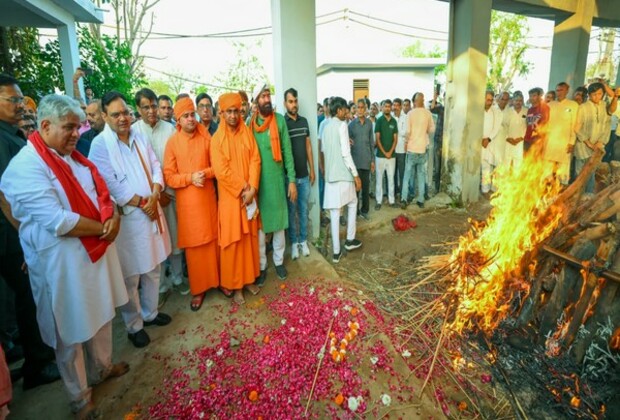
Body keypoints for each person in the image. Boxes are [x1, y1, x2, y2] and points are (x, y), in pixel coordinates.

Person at [0, 94, 129, 418]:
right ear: (45, 126)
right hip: (59, 264)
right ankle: (79, 397)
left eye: (79, 127)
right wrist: (104, 227)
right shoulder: (26, 166)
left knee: (100, 315)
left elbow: (101, 193)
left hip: (93, 256)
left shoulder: (73, 158)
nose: (77, 134)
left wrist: (112, 214)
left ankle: (102, 367)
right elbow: (58, 220)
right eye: (69, 128)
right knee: (67, 332)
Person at [89, 91, 172, 348]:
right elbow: (107, 183)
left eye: (125, 112)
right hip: (129, 219)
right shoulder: (100, 145)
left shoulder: (138, 134)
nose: (123, 118)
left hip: (151, 209)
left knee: (153, 267)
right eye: (116, 114)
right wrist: (139, 202)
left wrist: (156, 191)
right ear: (105, 116)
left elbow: (156, 165)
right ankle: (134, 325)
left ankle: (151, 313)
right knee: (131, 275)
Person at [0, 74, 60, 391]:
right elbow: (4, 198)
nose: (21, 105)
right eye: (14, 99)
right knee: (28, 298)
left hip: (17, 237)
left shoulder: (11, 134)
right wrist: (26, 241)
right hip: (12, 239)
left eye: (21, 99)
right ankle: (38, 365)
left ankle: (28, 353)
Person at [163, 97, 220, 311]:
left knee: (213, 243)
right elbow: (169, 177)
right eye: (185, 116)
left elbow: (217, 168)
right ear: (178, 119)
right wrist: (189, 178)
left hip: (208, 202)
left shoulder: (206, 139)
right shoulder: (173, 143)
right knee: (195, 251)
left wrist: (202, 175)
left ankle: (218, 282)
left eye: (191, 115)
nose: (190, 119)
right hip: (188, 207)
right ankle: (198, 290)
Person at [132, 88, 188, 302]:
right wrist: (154, 195)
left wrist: (167, 191)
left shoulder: (171, 130)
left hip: (171, 195)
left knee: (174, 237)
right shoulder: (134, 131)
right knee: (155, 243)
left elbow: (177, 162)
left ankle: (177, 278)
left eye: (154, 106)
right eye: (146, 107)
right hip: (147, 200)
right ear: (138, 109)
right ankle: (161, 287)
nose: (152, 111)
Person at [211, 92, 261, 305]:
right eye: (228, 112)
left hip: (249, 194)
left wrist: (253, 187)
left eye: (236, 111)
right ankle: (236, 285)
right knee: (234, 241)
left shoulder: (246, 133)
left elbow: (255, 159)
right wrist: (244, 189)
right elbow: (221, 172)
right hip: (232, 200)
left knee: (249, 238)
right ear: (221, 113)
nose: (233, 115)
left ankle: (249, 280)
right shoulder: (216, 140)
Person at [251, 83, 297, 282]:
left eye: (268, 95)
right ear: (256, 101)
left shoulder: (279, 121)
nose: (267, 99)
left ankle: (278, 262)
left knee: (279, 225)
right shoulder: (249, 125)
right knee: (261, 230)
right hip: (258, 185)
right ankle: (262, 266)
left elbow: (287, 151)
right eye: (262, 96)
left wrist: (292, 180)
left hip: (277, 182)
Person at [322, 96, 362, 263]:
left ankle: (336, 253)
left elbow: (326, 150)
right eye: (345, 109)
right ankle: (350, 240)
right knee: (353, 203)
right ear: (338, 111)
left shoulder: (325, 126)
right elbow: (345, 154)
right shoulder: (343, 125)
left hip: (331, 176)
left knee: (334, 213)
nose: (347, 112)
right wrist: (355, 175)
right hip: (344, 175)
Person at [283, 88, 315, 259]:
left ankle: (303, 241)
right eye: (290, 101)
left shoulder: (304, 121)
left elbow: (308, 146)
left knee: (303, 210)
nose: (294, 104)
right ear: (285, 103)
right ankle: (294, 243)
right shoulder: (283, 123)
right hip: (291, 179)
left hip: (304, 175)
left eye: (295, 101)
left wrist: (312, 169)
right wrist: (290, 179)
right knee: (291, 211)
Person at [574, 82, 618, 192]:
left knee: (591, 173)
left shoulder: (604, 105)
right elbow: (577, 128)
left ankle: (587, 199)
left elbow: (608, 121)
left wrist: (601, 142)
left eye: (599, 94)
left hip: (597, 147)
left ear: (603, 94)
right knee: (579, 174)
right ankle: (575, 199)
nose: (596, 96)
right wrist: (589, 144)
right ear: (589, 94)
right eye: (593, 94)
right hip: (583, 147)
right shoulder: (583, 107)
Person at [401, 92, 435, 208]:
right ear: (423, 100)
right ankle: (420, 200)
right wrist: (425, 131)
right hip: (422, 149)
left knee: (407, 175)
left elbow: (407, 132)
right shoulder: (428, 113)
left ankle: (404, 199)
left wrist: (406, 143)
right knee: (421, 175)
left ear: (415, 101)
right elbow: (432, 129)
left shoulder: (410, 114)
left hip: (411, 149)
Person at [545, 82, 578, 184]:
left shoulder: (573, 105)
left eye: (561, 90)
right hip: (550, 142)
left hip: (565, 143)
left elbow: (575, 125)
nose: (559, 92)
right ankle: (545, 192)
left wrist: (572, 142)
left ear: (567, 91)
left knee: (563, 170)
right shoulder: (550, 105)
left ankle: (561, 192)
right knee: (547, 170)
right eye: (557, 90)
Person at [349, 98, 374, 219]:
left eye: (362, 107)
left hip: (367, 161)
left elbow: (371, 142)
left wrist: (372, 161)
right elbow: (347, 144)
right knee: (356, 189)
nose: (360, 110)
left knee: (366, 189)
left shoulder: (369, 124)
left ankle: (365, 211)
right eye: (358, 107)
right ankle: (356, 212)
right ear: (355, 109)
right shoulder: (351, 125)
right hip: (355, 162)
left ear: (365, 109)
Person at [374, 99, 398, 210]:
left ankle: (391, 200)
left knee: (391, 179)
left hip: (391, 156)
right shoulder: (379, 121)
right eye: (385, 106)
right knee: (379, 179)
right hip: (380, 156)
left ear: (391, 108)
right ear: (382, 108)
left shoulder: (394, 121)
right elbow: (377, 139)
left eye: (389, 106)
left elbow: (395, 139)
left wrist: (390, 152)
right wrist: (385, 152)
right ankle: (378, 201)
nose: (387, 108)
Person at [481, 91, 503, 196]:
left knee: (489, 166)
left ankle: (488, 190)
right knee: (480, 166)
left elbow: (497, 127)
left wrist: (488, 139)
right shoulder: (477, 110)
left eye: (491, 100)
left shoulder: (496, 112)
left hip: (490, 142)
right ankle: (481, 190)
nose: (489, 102)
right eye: (487, 99)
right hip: (478, 142)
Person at [504, 92, 527, 168]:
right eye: (516, 100)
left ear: (523, 101)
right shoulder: (507, 111)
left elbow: (527, 126)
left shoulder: (526, 111)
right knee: (506, 162)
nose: (518, 102)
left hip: (520, 141)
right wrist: (507, 138)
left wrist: (521, 138)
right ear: (513, 101)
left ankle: (516, 179)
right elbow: (504, 126)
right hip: (508, 141)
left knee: (518, 164)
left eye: (520, 100)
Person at [524, 87, 550, 154]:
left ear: (539, 96)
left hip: (537, 141)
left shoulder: (544, 108)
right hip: (527, 140)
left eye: (534, 95)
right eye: (530, 96)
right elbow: (528, 124)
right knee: (526, 162)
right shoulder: (529, 110)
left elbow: (545, 124)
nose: (532, 98)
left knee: (535, 162)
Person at [392, 98, 407, 200]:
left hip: (401, 150)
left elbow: (404, 133)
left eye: (397, 105)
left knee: (402, 173)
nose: (395, 107)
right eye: (394, 105)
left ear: (401, 106)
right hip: (392, 150)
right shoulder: (391, 117)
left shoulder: (405, 117)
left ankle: (402, 194)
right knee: (392, 174)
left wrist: (395, 127)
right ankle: (393, 193)